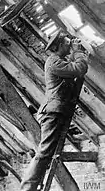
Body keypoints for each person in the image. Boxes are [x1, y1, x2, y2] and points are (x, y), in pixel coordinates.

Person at [20, 31, 88, 191]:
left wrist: (77, 53)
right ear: (59, 46)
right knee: (44, 152)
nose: (69, 44)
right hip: (53, 112)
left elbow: (73, 67)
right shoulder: (54, 63)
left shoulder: (59, 61)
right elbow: (79, 68)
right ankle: (27, 188)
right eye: (66, 42)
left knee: (47, 154)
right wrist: (78, 51)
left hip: (56, 111)